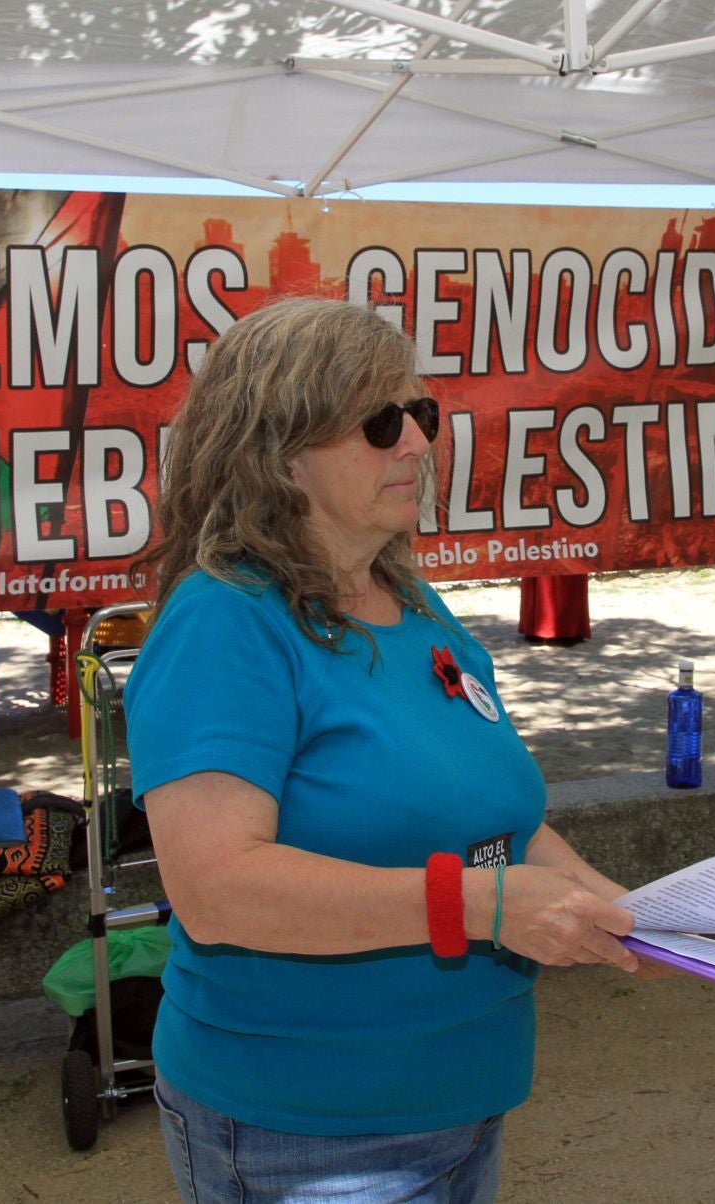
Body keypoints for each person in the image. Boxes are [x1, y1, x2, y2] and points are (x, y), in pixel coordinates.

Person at [124, 297, 643, 1203]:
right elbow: (214, 891)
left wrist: (623, 907)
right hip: (308, 1129)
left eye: (421, 415)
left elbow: (500, 823)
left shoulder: (417, 608)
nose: (415, 443)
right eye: (378, 423)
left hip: (461, 1097)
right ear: (280, 454)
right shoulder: (226, 622)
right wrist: (482, 906)